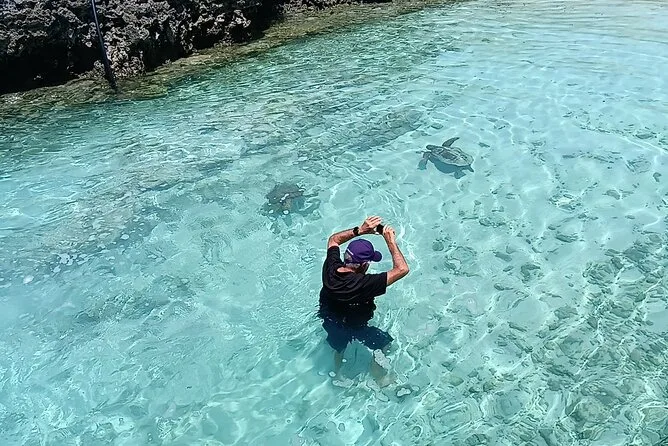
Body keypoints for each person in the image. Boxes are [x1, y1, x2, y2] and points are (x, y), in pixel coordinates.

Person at [318, 216, 410, 387]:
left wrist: (359, 230)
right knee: (385, 343)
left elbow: (333, 240)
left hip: (330, 319)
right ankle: (379, 378)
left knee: (339, 347)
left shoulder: (330, 268)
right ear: (364, 265)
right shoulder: (364, 284)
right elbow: (402, 269)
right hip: (356, 326)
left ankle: (337, 375)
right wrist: (390, 241)